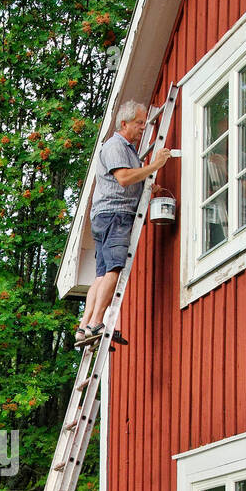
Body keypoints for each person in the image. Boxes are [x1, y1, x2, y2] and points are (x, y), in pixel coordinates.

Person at [75, 100, 173, 347]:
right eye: (140, 123)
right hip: (115, 215)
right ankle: (97, 322)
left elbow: (129, 179)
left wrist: (147, 185)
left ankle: (84, 327)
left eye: (144, 123)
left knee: (100, 275)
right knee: (114, 269)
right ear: (124, 123)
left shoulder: (128, 150)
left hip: (105, 216)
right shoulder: (116, 145)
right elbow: (123, 178)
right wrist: (155, 165)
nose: (143, 127)